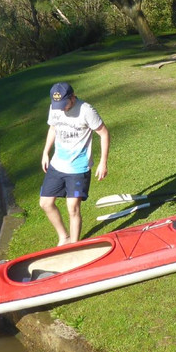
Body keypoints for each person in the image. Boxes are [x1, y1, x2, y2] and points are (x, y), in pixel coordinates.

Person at [40, 82, 110, 245]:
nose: (62, 108)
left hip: (78, 167)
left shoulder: (86, 110)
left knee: (73, 208)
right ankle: (64, 237)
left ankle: (74, 245)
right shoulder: (55, 108)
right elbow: (53, 129)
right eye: (58, 105)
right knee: (45, 203)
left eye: (65, 104)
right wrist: (45, 152)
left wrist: (103, 162)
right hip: (57, 164)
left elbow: (104, 134)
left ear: (72, 97)